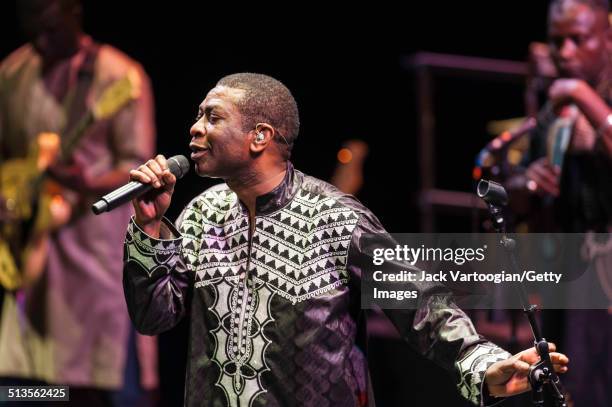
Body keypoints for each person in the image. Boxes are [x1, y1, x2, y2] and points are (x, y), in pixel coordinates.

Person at [123, 72, 569, 406]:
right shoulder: (202, 213)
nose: (195, 128)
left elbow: (421, 307)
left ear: (260, 136)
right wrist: (147, 228)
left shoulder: (336, 218)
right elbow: (154, 318)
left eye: (212, 116)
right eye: (198, 116)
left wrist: (483, 363)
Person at [0, 0, 157, 404]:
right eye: (31, 26)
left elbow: (139, 168)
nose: (40, 39)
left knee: (87, 383)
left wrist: (86, 182)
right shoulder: (13, 71)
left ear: (73, 11)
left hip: (93, 255)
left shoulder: (119, 75)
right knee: (25, 388)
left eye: (50, 26)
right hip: (29, 255)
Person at [511, 0, 612, 405]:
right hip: (570, 280)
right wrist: (526, 183)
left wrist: (582, 95)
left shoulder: (578, 96)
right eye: (558, 41)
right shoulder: (556, 111)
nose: (565, 52)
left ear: (607, 37)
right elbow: (521, 192)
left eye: (578, 39)